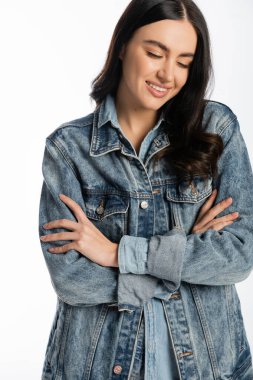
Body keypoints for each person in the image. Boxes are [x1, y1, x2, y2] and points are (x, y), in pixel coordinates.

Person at [38, 0, 253, 379]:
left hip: (208, 364)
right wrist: (185, 253)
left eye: (184, 62)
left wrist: (115, 253)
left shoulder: (216, 129)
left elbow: (239, 252)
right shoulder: (68, 149)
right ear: (122, 45)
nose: (167, 74)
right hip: (97, 367)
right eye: (155, 53)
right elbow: (72, 280)